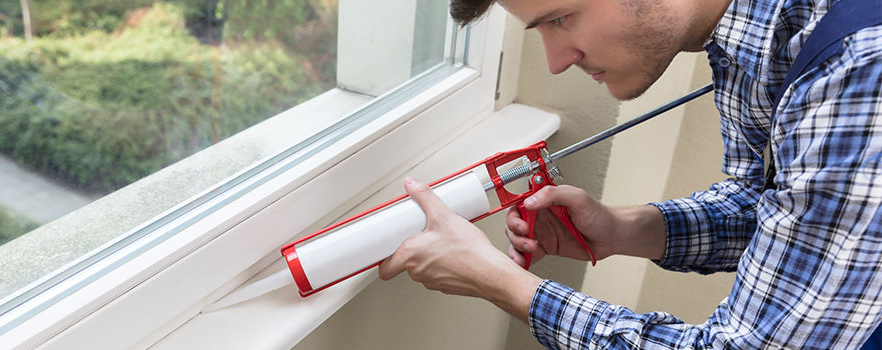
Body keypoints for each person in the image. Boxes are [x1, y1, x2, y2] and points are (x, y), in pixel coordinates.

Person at [377, 0, 882, 348]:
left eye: (562, 18)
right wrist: (630, 229)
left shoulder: (859, 72)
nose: (556, 62)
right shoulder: (761, 32)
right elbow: (785, 212)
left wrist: (504, 285)